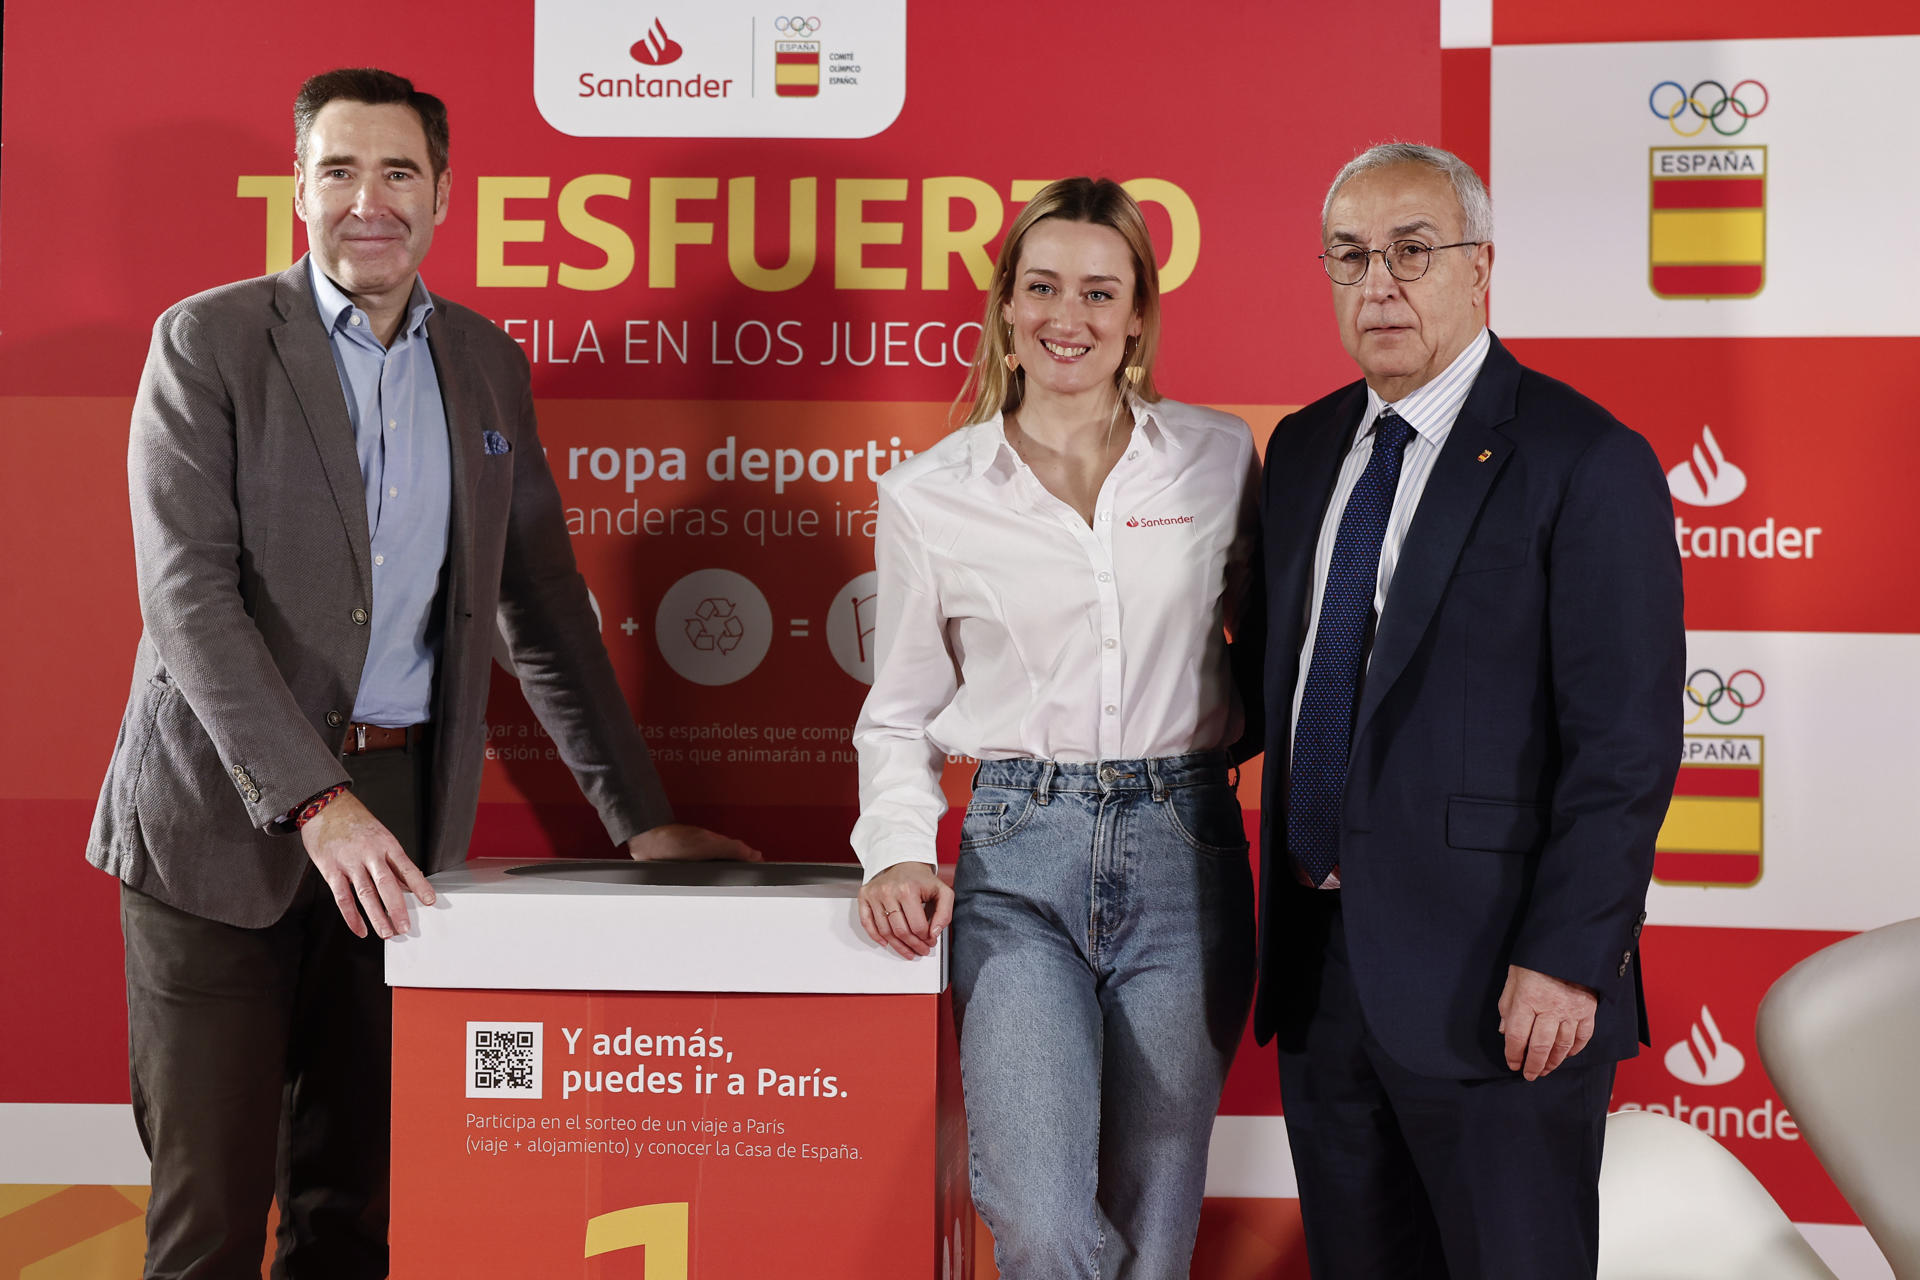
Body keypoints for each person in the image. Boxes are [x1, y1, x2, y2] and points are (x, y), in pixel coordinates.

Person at [85, 67, 755, 1279]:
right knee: (212, 1218)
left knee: (352, 1204)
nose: (368, 199)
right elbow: (188, 600)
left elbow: (539, 604)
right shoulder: (210, 341)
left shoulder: (489, 366)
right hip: (216, 828)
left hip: (399, 827)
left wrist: (641, 821)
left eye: (398, 170)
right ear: (298, 187)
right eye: (338, 169)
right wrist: (313, 795)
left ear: (445, 191)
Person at [1247, 142, 1684, 1278]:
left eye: (1413, 250)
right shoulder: (1299, 450)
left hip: (1504, 987)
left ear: (1480, 269)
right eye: (1350, 255)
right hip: (1325, 975)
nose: (1378, 282)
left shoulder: (1585, 458)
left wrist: (1568, 958)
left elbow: (1626, 743)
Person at [851, 177, 1260, 1278]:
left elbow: (1274, 652)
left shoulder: (1218, 460)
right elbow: (896, 713)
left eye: (1098, 290)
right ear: (1005, 307)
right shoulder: (932, 492)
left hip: (1188, 849)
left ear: (1138, 316)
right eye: (1041, 287)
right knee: (1037, 1212)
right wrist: (895, 846)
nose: (1065, 315)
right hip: (1018, 852)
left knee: (1153, 1223)